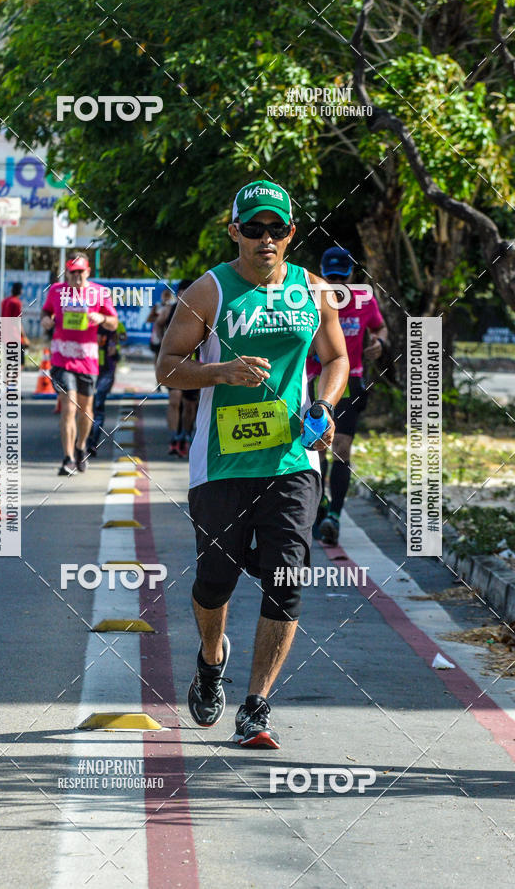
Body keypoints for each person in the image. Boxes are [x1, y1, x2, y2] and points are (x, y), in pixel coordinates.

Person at [157, 180, 348, 748]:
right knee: (215, 580)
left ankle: (256, 706)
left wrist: (324, 404)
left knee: (286, 580)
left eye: (277, 228)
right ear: (234, 231)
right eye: (254, 228)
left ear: (291, 233)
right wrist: (221, 372)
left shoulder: (314, 290)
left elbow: (336, 358)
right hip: (221, 464)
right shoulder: (209, 291)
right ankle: (211, 657)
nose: (267, 238)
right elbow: (168, 367)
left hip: (293, 459)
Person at [307, 247, 388, 546]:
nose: (336, 284)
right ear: (322, 274)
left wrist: (379, 343)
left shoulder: (365, 300)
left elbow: (380, 328)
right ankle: (320, 505)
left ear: (352, 275)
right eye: (331, 278)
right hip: (315, 380)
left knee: (341, 447)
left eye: (342, 277)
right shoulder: (308, 299)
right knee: (317, 448)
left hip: (351, 381)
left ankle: (334, 516)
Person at [41, 252, 118, 476]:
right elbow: (46, 311)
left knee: (86, 411)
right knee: (69, 407)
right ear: (66, 273)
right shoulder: (56, 291)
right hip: (61, 358)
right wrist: (45, 319)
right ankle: (67, 459)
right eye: (72, 273)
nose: (76, 277)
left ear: (88, 272)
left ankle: (81, 445)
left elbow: (114, 322)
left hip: (87, 360)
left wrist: (102, 318)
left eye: (80, 272)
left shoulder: (100, 293)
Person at [156, 279, 199, 458]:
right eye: (181, 292)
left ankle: (186, 435)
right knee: (175, 399)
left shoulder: (201, 309)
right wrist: (163, 344)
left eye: (187, 292)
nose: (184, 296)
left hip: (194, 365)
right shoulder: (170, 310)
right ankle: (174, 437)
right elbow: (158, 324)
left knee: (190, 405)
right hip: (175, 363)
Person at [87, 320, 127, 457]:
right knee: (89, 406)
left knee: (96, 406)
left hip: (103, 371)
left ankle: (91, 442)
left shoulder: (113, 324)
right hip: (89, 369)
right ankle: (87, 440)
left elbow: (117, 345)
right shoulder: (88, 322)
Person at [0, 282, 29, 367]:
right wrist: (24, 337)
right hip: (14, 336)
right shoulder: (17, 302)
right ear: (20, 291)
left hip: (5, 334)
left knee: (8, 360)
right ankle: (15, 376)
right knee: (20, 362)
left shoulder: (5, 301)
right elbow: (17, 322)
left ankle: (7, 376)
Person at [147, 287, 174, 372]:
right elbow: (149, 319)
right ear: (162, 296)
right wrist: (160, 318)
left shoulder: (173, 307)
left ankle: (167, 373)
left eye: (168, 296)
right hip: (158, 334)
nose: (166, 298)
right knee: (157, 354)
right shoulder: (157, 306)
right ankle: (157, 373)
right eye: (165, 295)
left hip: (169, 334)